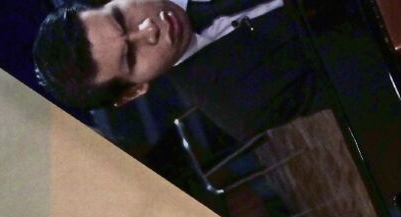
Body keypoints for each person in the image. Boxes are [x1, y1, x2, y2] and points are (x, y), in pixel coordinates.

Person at [32, 0, 325, 140]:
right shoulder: (240, 107)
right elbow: (360, 67)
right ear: (135, 90)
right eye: (131, 56)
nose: (148, 30)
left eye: (121, 17)